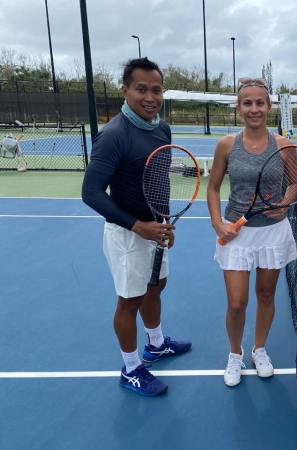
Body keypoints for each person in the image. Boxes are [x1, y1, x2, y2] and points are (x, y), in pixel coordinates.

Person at [82, 58, 191, 397]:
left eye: (156, 90)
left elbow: (158, 181)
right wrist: (137, 226)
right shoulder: (113, 135)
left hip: (155, 228)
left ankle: (156, 344)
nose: (150, 97)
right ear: (125, 91)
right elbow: (90, 193)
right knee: (130, 301)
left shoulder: (162, 129)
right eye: (141, 89)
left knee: (156, 285)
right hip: (127, 235)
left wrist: (163, 221)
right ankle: (130, 369)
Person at [207, 77, 297, 387]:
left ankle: (259, 349)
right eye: (248, 103)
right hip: (236, 233)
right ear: (239, 108)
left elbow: (295, 183)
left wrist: (285, 203)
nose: (254, 108)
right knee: (236, 303)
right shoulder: (226, 145)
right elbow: (213, 187)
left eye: (260, 103)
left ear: (269, 107)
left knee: (266, 294)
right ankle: (236, 353)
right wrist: (217, 222)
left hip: (273, 232)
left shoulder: (283, 145)